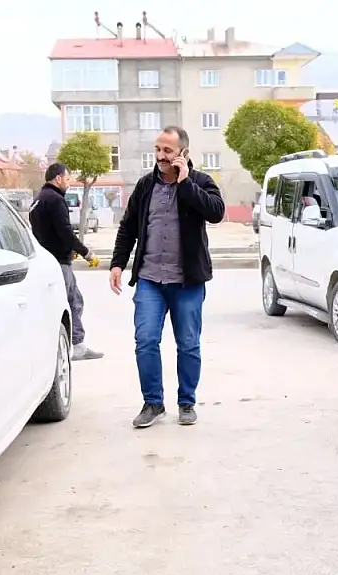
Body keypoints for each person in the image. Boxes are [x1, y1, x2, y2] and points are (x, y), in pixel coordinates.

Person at [109, 126, 225, 428]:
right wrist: (118, 263)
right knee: (145, 340)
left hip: (187, 282)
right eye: (158, 150)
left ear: (183, 153)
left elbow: (216, 212)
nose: (160, 156)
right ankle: (153, 403)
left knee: (188, 344)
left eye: (167, 151)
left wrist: (185, 183)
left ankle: (187, 402)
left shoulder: (201, 182)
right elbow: (128, 226)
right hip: (150, 280)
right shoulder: (146, 186)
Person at [28, 162, 103, 361]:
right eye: (68, 179)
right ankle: (76, 345)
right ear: (58, 178)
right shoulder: (56, 200)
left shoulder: (38, 200)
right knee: (73, 302)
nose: (69, 183)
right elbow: (65, 231)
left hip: (47, 260)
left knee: (59, 303)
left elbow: (46, 233)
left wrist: (70, 250)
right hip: (59, 263)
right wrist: (86, 253)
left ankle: (58, 346)